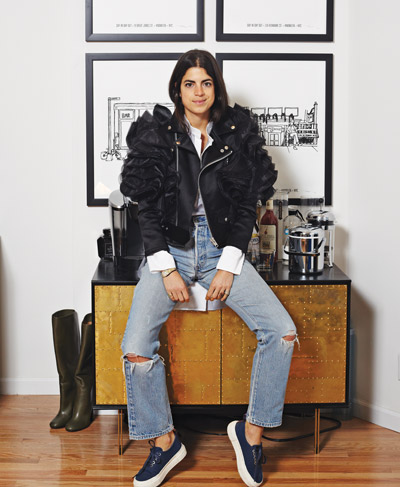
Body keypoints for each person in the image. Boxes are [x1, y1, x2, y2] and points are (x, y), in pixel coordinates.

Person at [120, 49, 298, 487]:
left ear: (216, 88)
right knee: (136, 348)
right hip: (172, 248)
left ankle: (250, 433)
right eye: (189, 83)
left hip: (221, 248)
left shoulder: (237, 133)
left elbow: (245, 205)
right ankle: (164, 442)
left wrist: (229, 263)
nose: (198, 92)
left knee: (282, 332)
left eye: (206, 82)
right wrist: (166, 268)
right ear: (177, 88)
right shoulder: (158, 135)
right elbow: (147, 208)